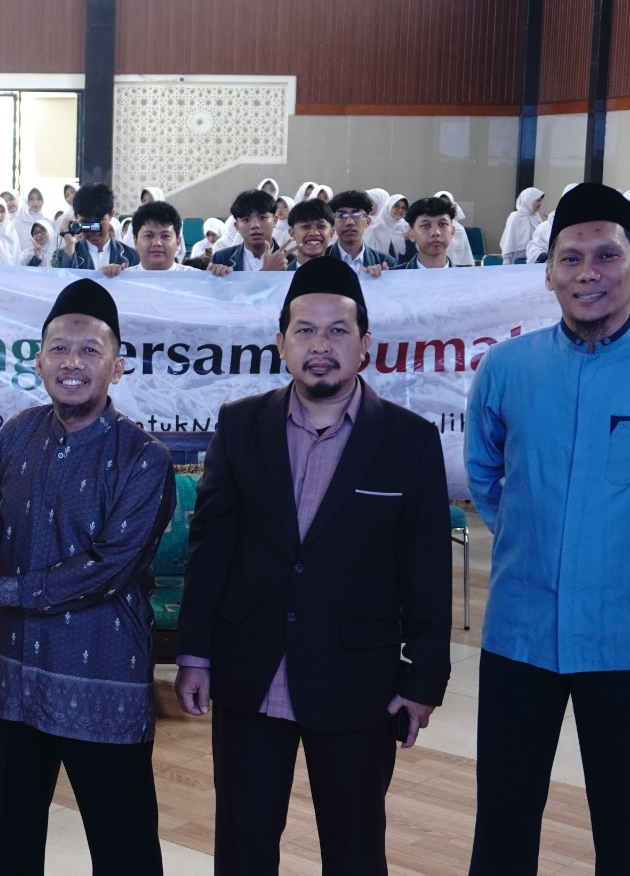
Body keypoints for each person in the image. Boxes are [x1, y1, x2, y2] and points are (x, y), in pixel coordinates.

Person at [464, 183, 630, 874]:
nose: (589, 272)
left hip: (629, 634)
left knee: (627, 827)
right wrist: (530, 540)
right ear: (549, 272)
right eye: (572, 257)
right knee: (503, 824)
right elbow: (485, 476)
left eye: (608, 255)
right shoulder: (507, 368)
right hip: (521, 631)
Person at [176, 256, 452, 874]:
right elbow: (210, 547)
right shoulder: (241, 425)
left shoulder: (408, 440)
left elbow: (427, 569)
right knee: (243, 848)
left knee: (354, 850)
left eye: (337, 331)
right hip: (251, 671)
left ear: (365, 345)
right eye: (304, 330)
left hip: (358, 681)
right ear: (281, 343)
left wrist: (424, 679)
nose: (319, 346)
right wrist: (194, 653)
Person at [0, 277, 175, 875]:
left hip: (101, 682)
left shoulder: (143, 458)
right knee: (8, 852)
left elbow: (107, 569)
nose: (72, 363)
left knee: (125, 855)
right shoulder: (18, 432)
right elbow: (10, 535)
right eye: (59, 350)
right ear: (39, 361)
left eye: (90, 350)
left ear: (117, 367)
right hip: (12, 681)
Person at [52, 183, 139, 275]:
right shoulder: (62, 256)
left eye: (99, 222)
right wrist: (69, 244)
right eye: (86, 223)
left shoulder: (132, 256)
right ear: (76, 216)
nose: (93, 230)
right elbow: (64, 281)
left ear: (111, 215)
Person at [209, 190, 288, 275]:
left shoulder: (290, 261)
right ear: (237, 226)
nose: (255, 225)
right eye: (246, 219)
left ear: (275, 221)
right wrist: (211, 278)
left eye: (262, 218)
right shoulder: (221, 259)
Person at [327, 190, 395, 276]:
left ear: (368, 221)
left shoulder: (386, 262)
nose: (349, 222)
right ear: (333, 223)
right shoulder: (320, 260)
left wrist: (385, 279)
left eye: (356, 215)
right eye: (342, 216)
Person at [125, 200, 190, 272]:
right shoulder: (122, 277)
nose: (157, 243)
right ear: (135, 241)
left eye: (165, 236)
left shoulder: (195, 277)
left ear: (178, 242)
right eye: (149, 235)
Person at [395, 195, 458, 269]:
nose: (436, 232)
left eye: (442, 224)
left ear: (452, 231)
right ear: (412, 234)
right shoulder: (393, 275)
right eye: (426, 225)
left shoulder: (466, 276)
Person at [281, 199, 336, 271]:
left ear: (331, 233)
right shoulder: (277, 274)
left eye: (321, 226)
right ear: (292, 233)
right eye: (306, 226)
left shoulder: (342, 274)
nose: (314, 233)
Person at [498, 188, 544, 264]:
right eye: (537, 201)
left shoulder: (536, 216)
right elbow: (508, 242)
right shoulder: (515, 217)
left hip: (534, 259)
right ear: (528, 200)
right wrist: (507, 263)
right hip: (517, 261)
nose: (540, 204)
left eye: (541, 201)